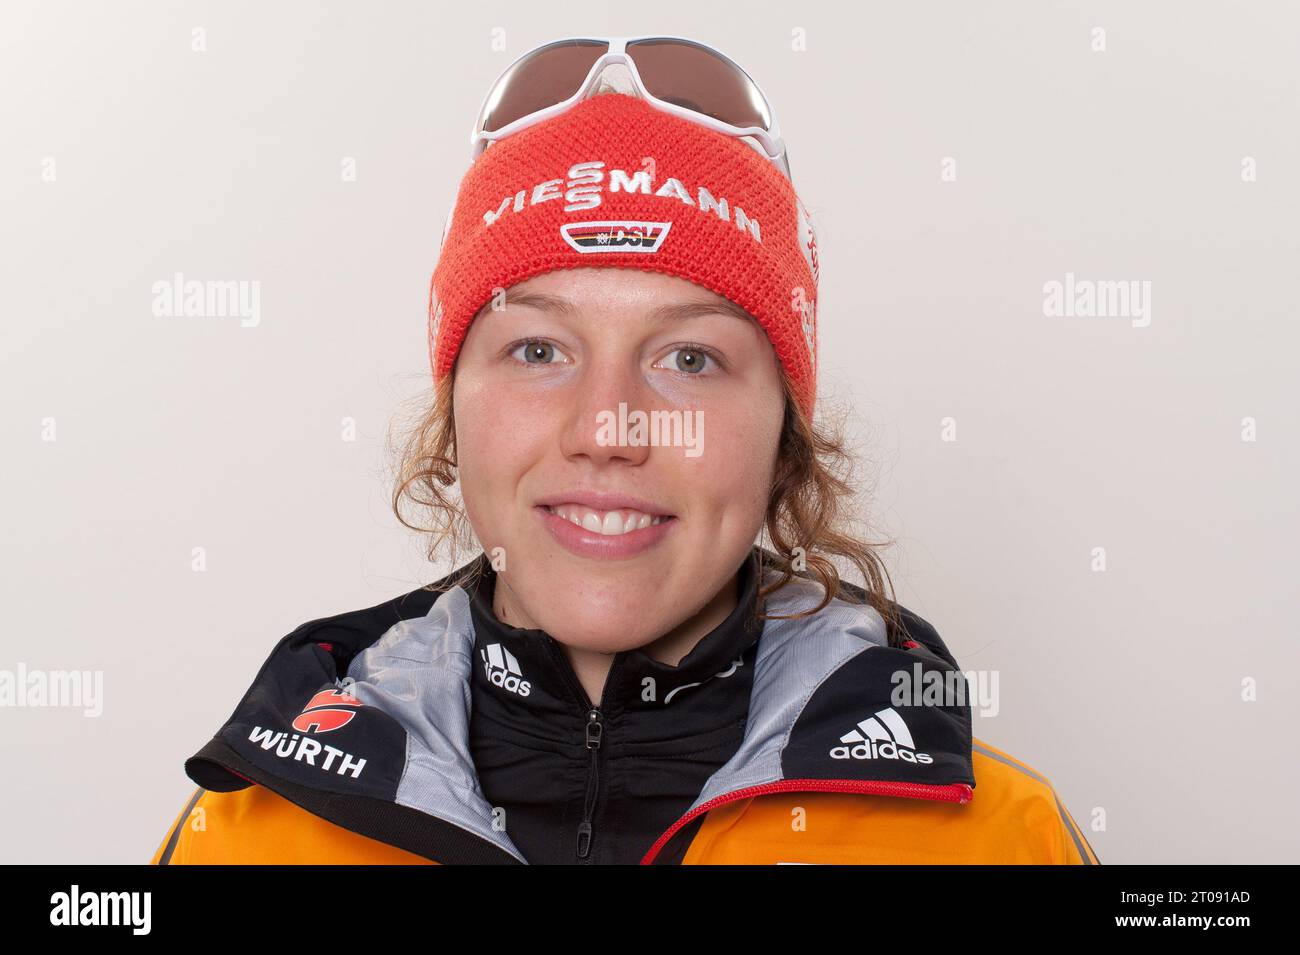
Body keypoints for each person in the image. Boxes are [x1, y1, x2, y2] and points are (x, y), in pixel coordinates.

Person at [151, 35, 1099, 865]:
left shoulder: (1002, 839)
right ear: (454, 414)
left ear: (784, 437)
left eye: (689, 357)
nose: (608, 429)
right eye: (538, 350)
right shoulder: (247, 832)